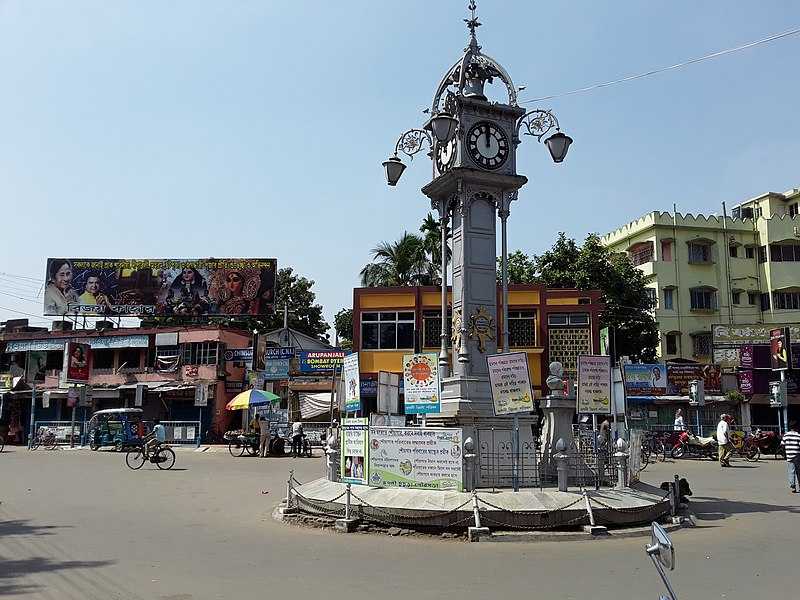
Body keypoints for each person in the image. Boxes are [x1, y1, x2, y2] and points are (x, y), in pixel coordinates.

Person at [781, 421, 800, 493]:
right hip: (797, 455)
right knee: (799, 472)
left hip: (789, 455)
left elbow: (782, 445)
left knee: (791, 471)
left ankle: (793, 486)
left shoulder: (785, 435)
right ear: (796, 427)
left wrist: (785, 454)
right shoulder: (798, 435)